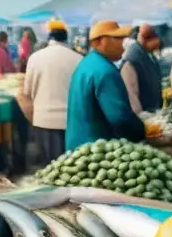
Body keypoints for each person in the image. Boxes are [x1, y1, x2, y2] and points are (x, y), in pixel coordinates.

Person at [65, 21, 146, 150]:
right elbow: (119, 118)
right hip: (96, 149)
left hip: (78, 145)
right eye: (117, 38)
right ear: (100, 41)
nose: (122, 44)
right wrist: (142, 131)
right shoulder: (105, 71)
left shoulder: (87, 63)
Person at [22, 19, 82, 165]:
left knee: (48, 168)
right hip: (71, 123)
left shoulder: (35, 58)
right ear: (66, 38)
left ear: (49, 38)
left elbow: (27, 93)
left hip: (43, 121)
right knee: (69, 168)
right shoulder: (79, 59)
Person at [120, 24, 163, 113]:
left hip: (153, 110)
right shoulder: (133, 58)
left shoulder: (147, 53)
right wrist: (140, 118)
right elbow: (131, 94)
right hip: (144, 114)